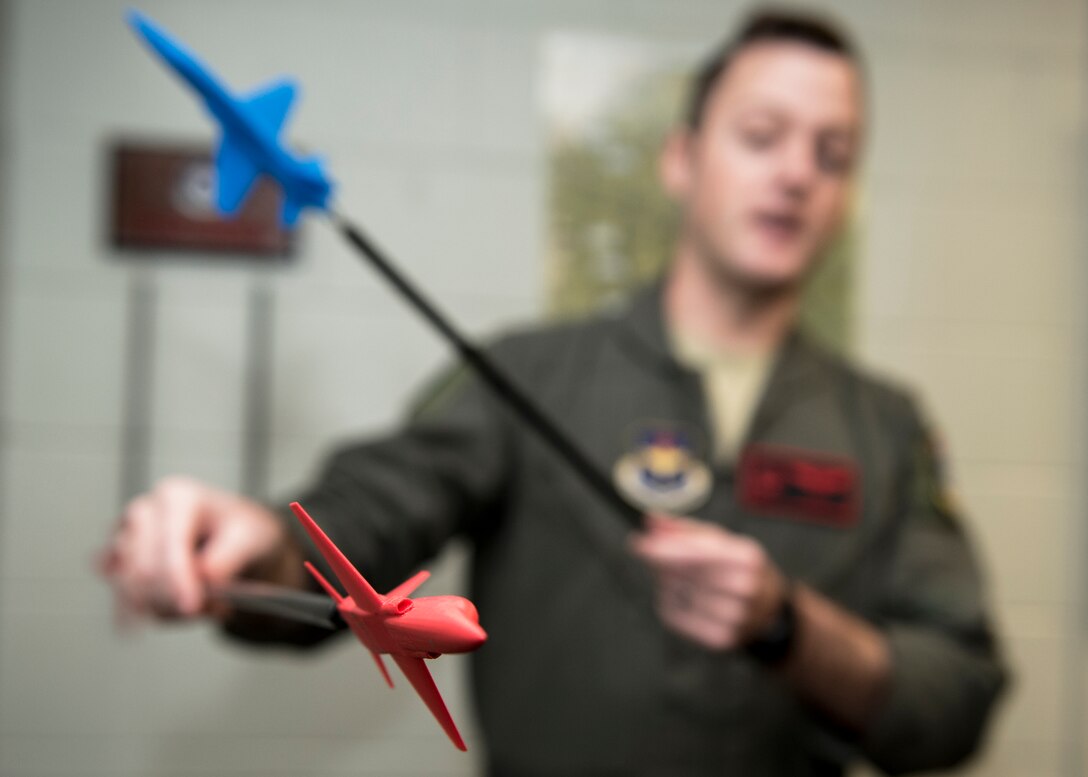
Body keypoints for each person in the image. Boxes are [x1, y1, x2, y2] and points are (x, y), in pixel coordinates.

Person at [101, 9, 1007, 776]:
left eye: (832, 153)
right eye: (762, 136)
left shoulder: (885, 427)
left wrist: (789, 628)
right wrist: (258, 544)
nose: (797, 172)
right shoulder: (528, 375)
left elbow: (957, 696)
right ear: (682, 158)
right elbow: (365, 521)